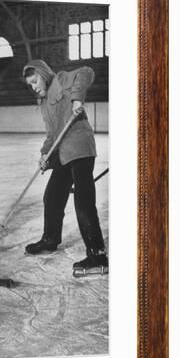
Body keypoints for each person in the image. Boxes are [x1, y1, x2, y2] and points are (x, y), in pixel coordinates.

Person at [22, 59, 108, 275]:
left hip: (80, 147)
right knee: (52, 196)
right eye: (30, 85)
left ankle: (97, 255)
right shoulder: (43, 104)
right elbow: (52, 135)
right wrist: (44, 154)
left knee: (83, 201)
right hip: (62, 154)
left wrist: (77, 99)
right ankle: (50, 239)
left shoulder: (61, 80)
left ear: (44, 73)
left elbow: (86, 72)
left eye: (35, 81)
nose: (33, 87)